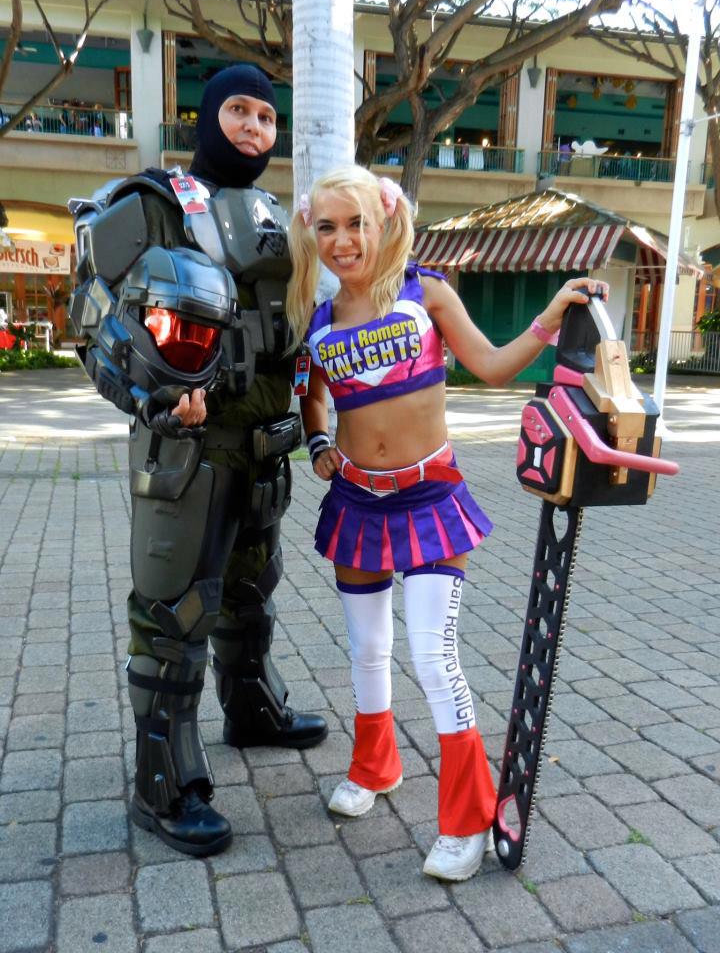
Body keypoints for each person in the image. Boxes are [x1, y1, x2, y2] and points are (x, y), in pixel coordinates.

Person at [287, 165, 609, 882]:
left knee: (433, 657)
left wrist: (549, 319)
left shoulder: (424, 291)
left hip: (430, 498)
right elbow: (311, 394)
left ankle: (467, 820)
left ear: (385, 221)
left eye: (357, 223)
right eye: (327, 226)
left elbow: (492, 366)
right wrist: (318, 440)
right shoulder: (318, 316)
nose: (343, 240)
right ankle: (375, 766)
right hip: (357, 503)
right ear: (312, 232)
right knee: (368, 650)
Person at [69, 65, 327, 857]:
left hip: (265, 442)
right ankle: (162, 782)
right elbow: (93, 313)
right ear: (208, 117)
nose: (253, 127)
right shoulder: (154, 201)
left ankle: (251, 709)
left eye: (266, 117)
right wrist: (149, 399)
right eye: (238, 111)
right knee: (176, 607)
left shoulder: (279, 217)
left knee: (251, 587)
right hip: (187, 444)